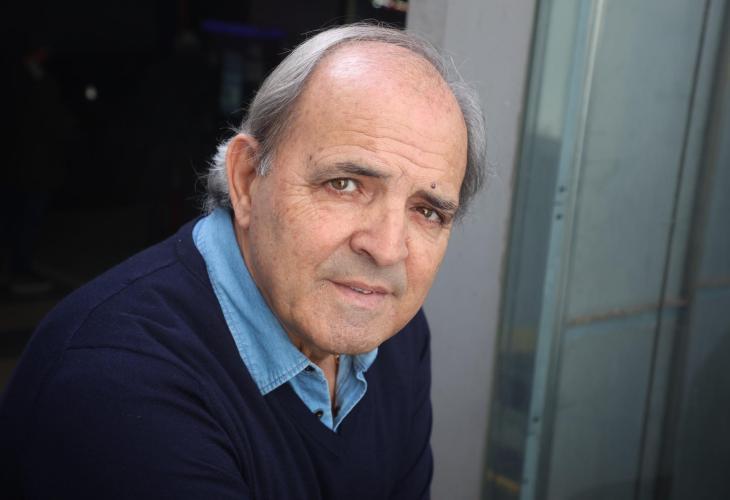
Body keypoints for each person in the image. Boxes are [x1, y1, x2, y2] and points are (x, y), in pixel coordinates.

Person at [0, 23, 486, 499]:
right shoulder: (116, 379)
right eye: (344, 185)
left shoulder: (395, 335)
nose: (386, 248)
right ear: (247, 179)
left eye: (427, 211)